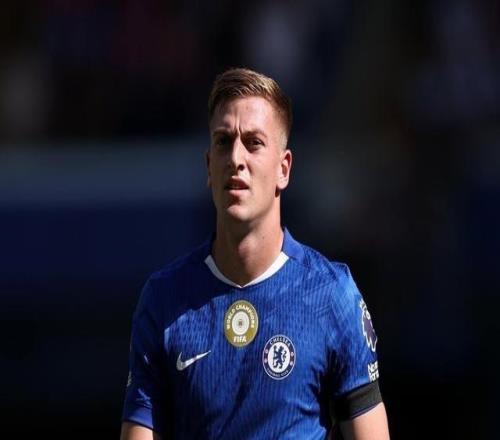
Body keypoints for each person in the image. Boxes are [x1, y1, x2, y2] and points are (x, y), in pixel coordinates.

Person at [120, 67, 390, 439]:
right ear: (209, 167)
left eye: (253, 142)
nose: (236, 158)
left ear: (284, 169)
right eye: (223, 141)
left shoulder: (332, 295)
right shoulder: (163, 299)